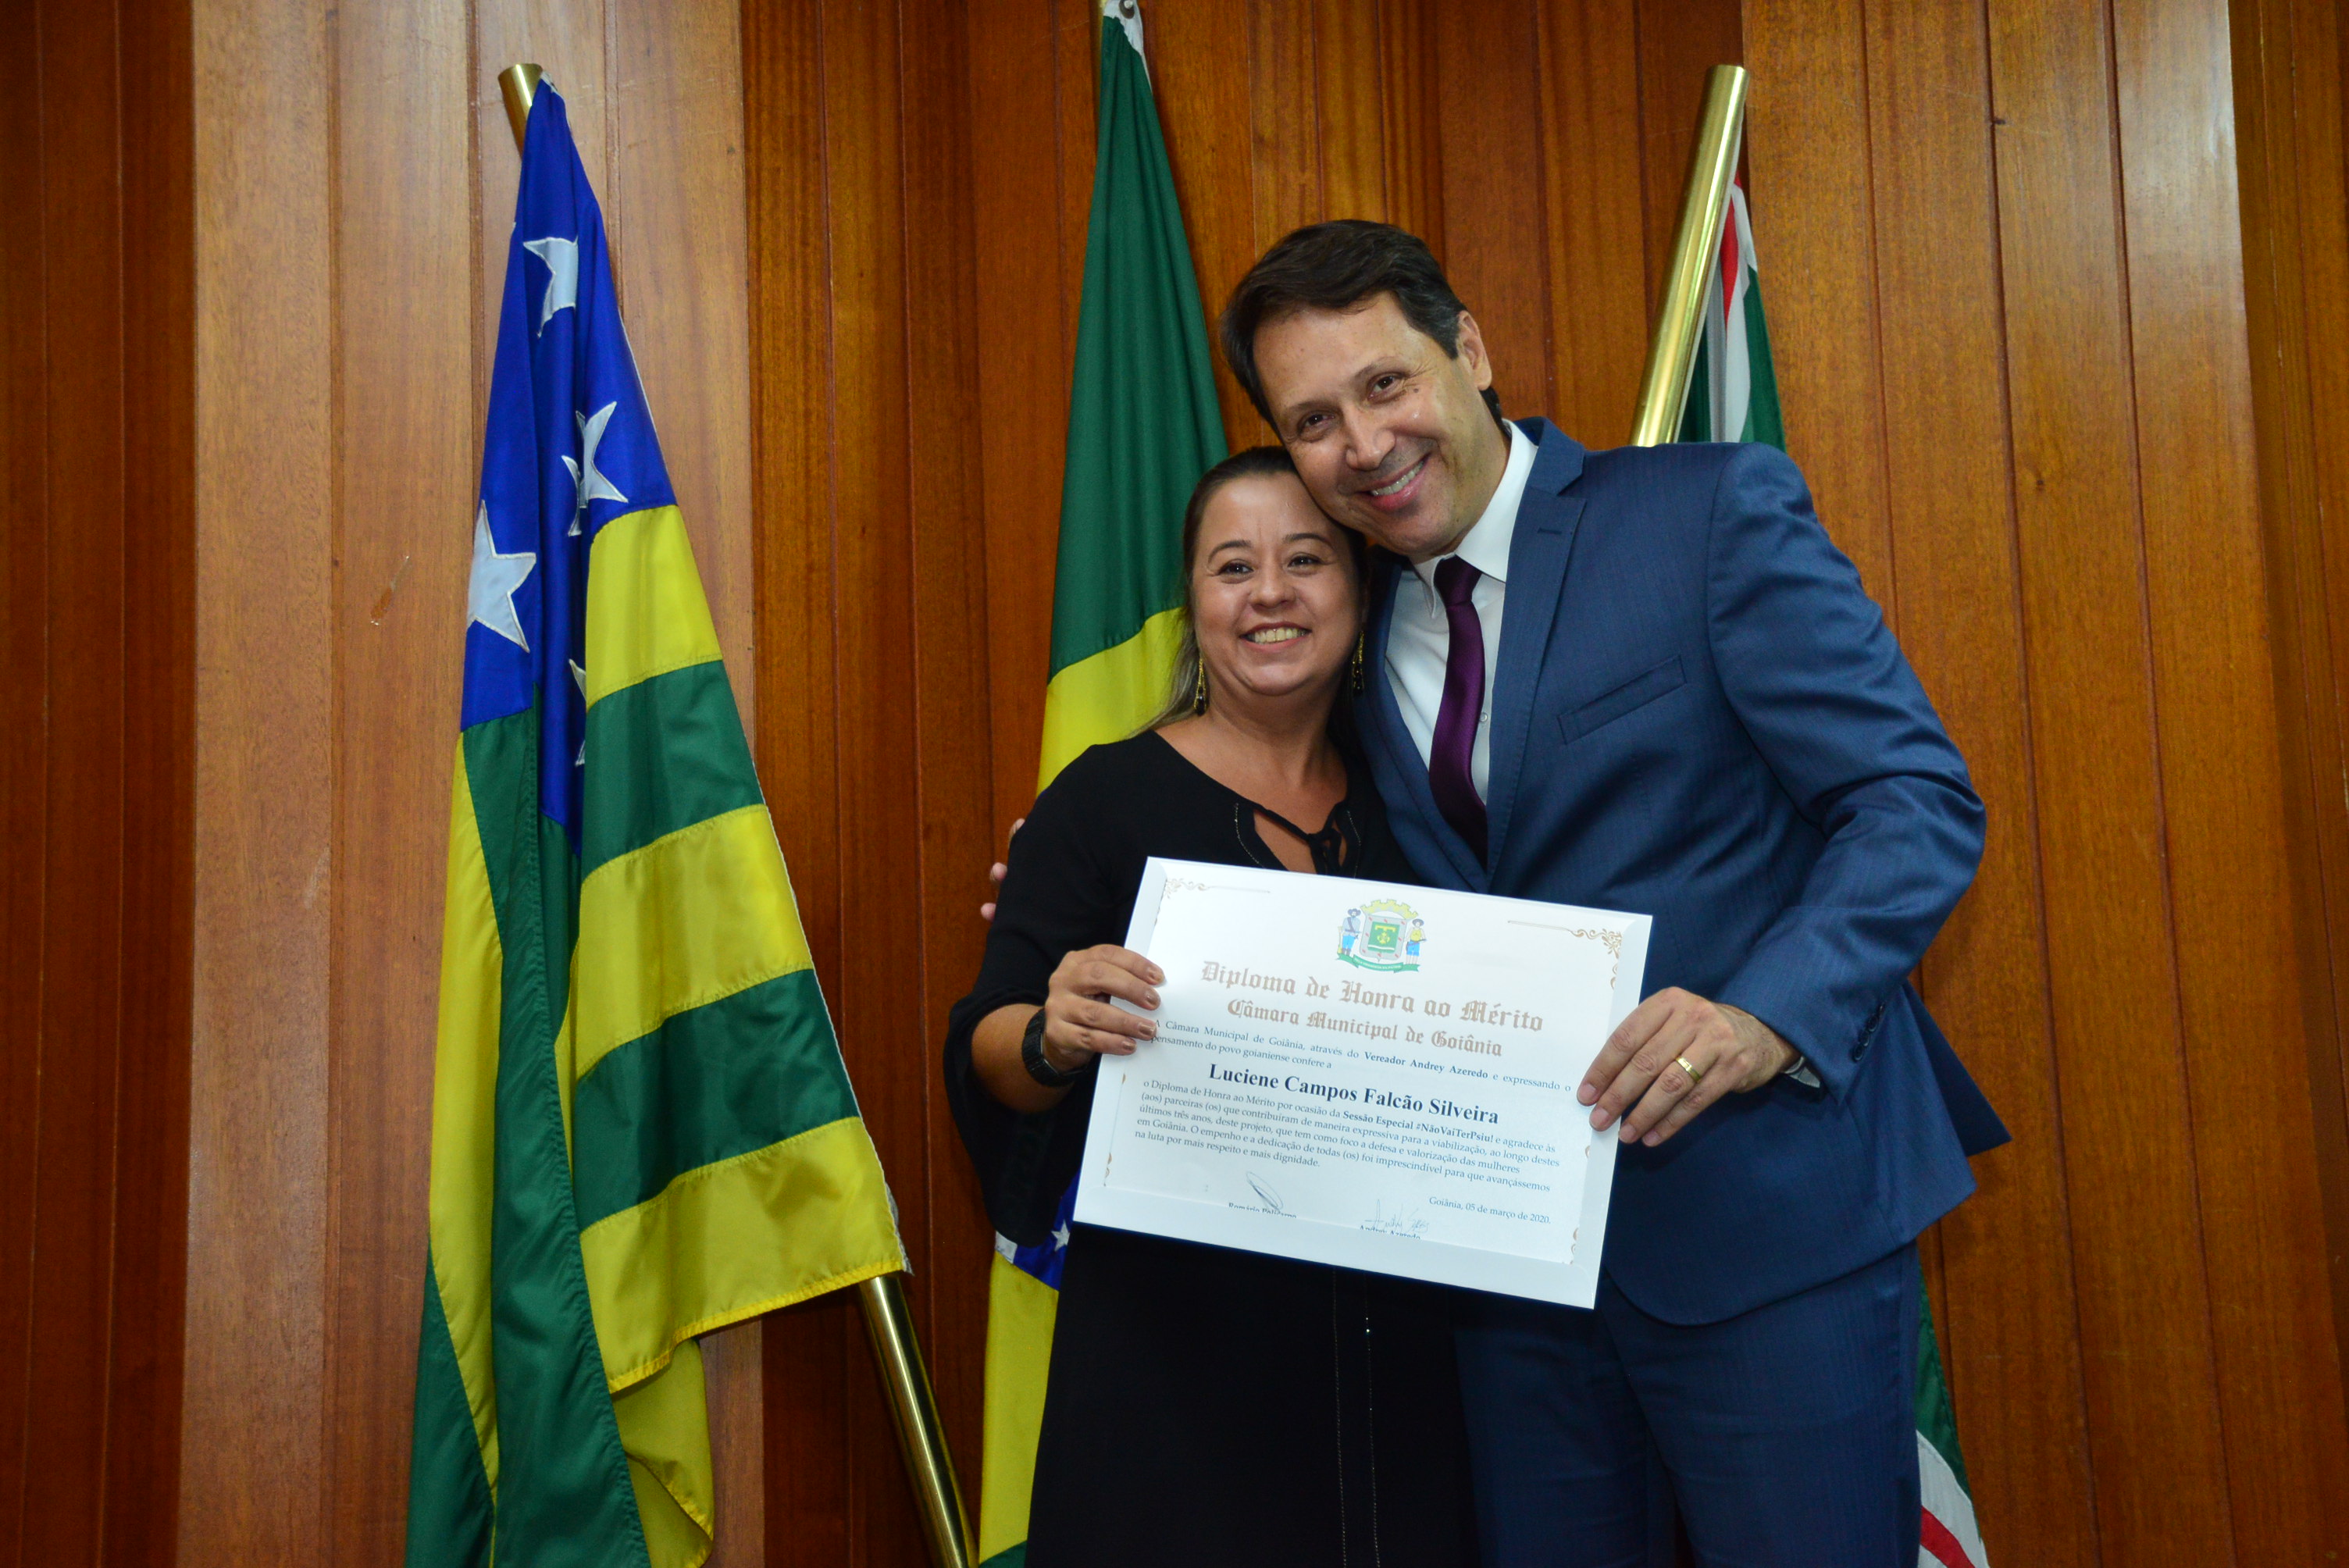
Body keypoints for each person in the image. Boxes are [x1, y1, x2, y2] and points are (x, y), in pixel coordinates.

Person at [1214, 221, 2009, 1566]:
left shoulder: (1705, 515)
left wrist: (1764, 1016)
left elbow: (1913, 800)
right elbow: (1322, 841)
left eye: (1386, 383)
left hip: (1769, 1234)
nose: (1363, 443)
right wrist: (1087, 886)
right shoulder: (1353, 619)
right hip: (1514, 1281)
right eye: (1312, 421)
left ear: (1469, 351)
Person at [943, 446, 1477, 1568]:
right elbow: (988, 1042)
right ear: (1194, 602)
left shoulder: (1423, 803)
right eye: (1234, 567)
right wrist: (1052, 1034)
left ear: (1362, 590)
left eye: (1307, 560)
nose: (1270, 593)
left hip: (1409, 1369)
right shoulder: (1102, 799)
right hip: (1173, 1377)